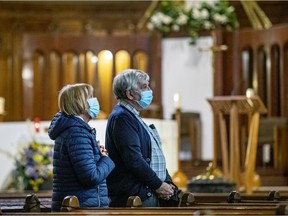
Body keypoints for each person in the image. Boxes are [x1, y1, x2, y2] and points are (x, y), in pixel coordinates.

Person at [106, 69, 179, 207]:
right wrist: (158, 185)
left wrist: (167, 182)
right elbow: (134, 160)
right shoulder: (122, 117)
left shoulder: (132, 116)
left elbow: (154, 154)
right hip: (137, 195)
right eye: (144, 87)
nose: (149, 90)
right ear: (130, 94)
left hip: (146, 190)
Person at [48, 83, 115, 211]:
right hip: (82, 208)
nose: (95, 100)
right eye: (91, 97)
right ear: (81, 103)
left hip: (80, 204)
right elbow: (91, 177)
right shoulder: (77, 133)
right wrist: (106, 159)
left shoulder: (74, 129)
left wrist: (98, 157)